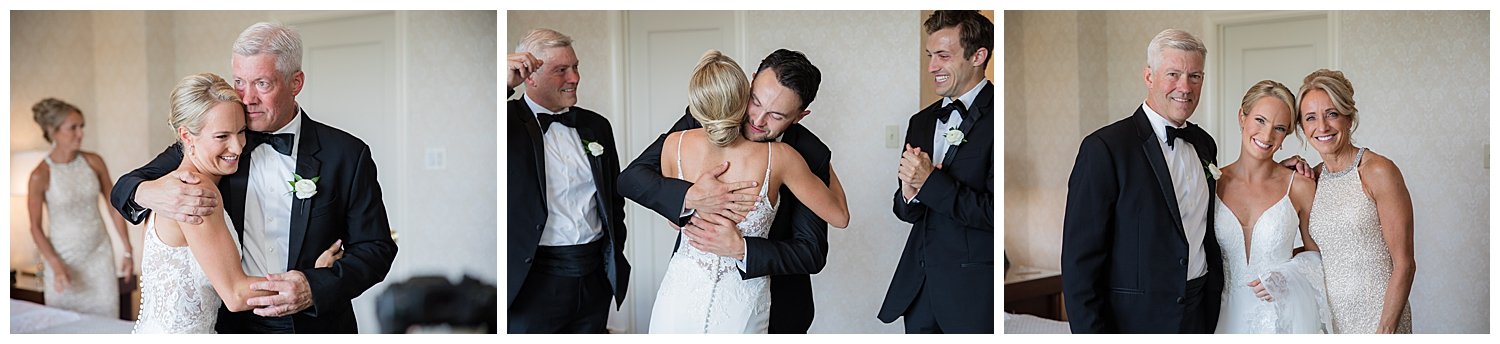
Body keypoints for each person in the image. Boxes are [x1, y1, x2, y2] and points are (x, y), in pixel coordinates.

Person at [110, 22, 397, 333]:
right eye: (239, 82)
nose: (246, 99)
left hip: (317, 325)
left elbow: (376, 247)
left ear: (295, 82)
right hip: (234, 326)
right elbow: (126, 185)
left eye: (262, 83)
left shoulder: (347, 155)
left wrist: (316, 285)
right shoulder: (217, 142)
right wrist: (150, 194)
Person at [617, 48, 833, 334]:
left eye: (777, 115)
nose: (757, 120)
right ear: (751, 81)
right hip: (689, 292)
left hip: (775, 305)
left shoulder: (809, 153)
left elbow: (812, 252)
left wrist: (743, 249)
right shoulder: (706, 117)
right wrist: (688, 197)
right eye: (755, 101)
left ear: (799, 116)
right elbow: (632, 179)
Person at [133, 73, 340, 333]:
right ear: (186, 136)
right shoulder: (195, 194)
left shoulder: (171, 186)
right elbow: (236, 294)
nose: (238, 146)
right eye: (222, 137)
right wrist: (312, 280)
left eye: (241, 131)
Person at [1061, 28, 1222, 334]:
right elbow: (1079, 263)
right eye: (1173, 74)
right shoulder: (1105, 148)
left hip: (1200, 312)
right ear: (1149, 77)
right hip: (1135, 321)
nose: (1185, 87)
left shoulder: (1204, 143)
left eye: (1195, 76)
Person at [506, 28, 630, 334]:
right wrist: (501, 86)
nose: (574, 78)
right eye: (561, 70)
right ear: (529, 76)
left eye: (575, 67)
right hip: (533, 283)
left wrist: (610, 258)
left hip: (593, 279)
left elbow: (613, 201)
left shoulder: (596, 126)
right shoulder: (506, 123)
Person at [878, 10, 994, 334]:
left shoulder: (999, 117)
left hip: (972, 295)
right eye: (930, 56)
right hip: (919, 291)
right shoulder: (921, 122)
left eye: (943, 56)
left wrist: (931, 183)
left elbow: (993, 213)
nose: (932, 67)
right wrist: (909, 195)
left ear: (978, 55)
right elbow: (904, 210)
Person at [1297, 69, 1415, 333]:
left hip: (1380, 320)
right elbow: (1320, 253)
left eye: (1332, 114)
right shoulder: (1312, 180)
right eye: (1311, 118)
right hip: (1331, 322)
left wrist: (1384, 332)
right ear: (1303, 128)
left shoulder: (1378, 171)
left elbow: (1405, 263)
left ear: (1349, 118)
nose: (1322, 127)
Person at [1211, 80, 1328, 333]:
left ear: (1286, 136)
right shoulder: (1211, 184)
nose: (1266, 136)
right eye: (1260, 121)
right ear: (1242, 117)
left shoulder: (1299, 186)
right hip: (1221, 318)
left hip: (1280, 322)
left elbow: (1320, 257)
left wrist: (1287, 275)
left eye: (1279, 128)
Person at [27, 98, 133, 318]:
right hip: (63, 262)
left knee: (106, 325)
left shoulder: (94, 162)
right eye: (72, 128)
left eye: (81, 126)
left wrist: (127, 250)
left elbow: (115, 207)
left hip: (99, 258)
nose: (80, 133)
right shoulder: (40, 175)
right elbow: (35, 228)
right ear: (53, 132)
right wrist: (55, 265)